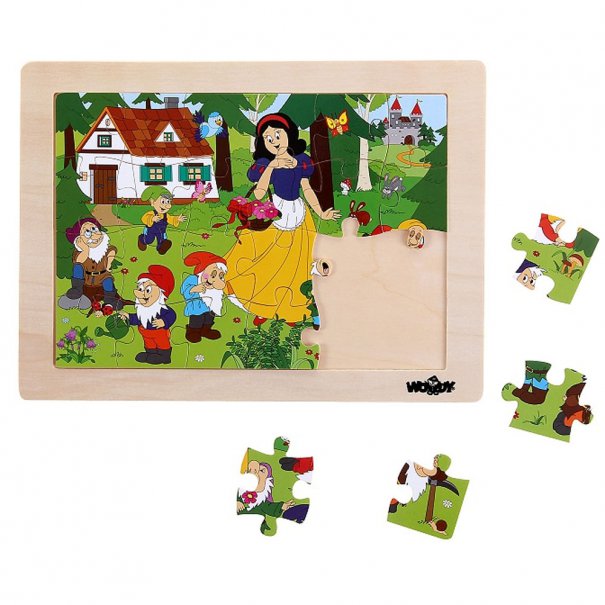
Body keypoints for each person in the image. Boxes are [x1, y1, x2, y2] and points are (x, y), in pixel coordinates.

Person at [224, 113, 340, 326]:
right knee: (267, 260)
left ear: (289, 134)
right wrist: (272, 166)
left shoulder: (302, 161)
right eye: (268, 138)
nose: (274, 141)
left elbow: (307, 188)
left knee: (297, 263)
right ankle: (260, 303)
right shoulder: (264, 163)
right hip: (275, 212)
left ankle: (290, 307)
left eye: (278, 134)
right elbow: (259, 193)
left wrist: (321, 212)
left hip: (299, 213)